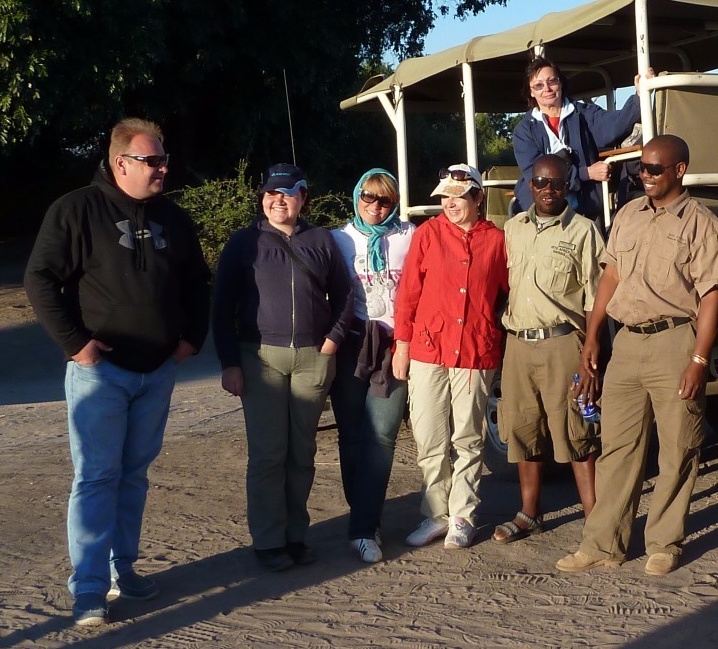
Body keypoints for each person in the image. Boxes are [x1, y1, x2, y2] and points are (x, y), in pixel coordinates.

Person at [24, 118, 210, 629]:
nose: (163, 168)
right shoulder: (77, 210)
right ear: (120, 163)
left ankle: (121, 569)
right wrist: (76, 345)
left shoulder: (173, 217)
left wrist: (193, 338)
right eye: (153, 161)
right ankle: (88, 589)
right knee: (96, 476)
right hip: (101, 375)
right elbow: (39, 279)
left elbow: (198, 282)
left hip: (157, 373)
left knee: (134, 475)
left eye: (164, 159)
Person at [556, 135, 718, 576]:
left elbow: (709, 297)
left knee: (677, 448)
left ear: (679, 170)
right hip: (627, 341)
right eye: (640, 170)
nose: (644, 176)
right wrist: (593, 336)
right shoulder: (629, 214)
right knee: (617, 446)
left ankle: (664, 542)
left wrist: (698, 360)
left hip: (675, 342)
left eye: (654, 169)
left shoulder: (703, 225)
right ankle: (602, 543)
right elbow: (610, 276)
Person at [213, 164, 356, 572]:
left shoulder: (321, 240)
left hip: (313, 357)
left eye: (288, 193)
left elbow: (345, 295)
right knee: (267, 453)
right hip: (260, 359)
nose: (279, 200)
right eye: (272, 194)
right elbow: (221, 306)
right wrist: (229, 362)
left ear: (303, 198)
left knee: (302, 452)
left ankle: (296, 535)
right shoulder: (245, 243)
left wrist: (332, 340)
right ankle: (269, 541)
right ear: (262, 199)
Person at [393, 164, 508, 549]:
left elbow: (509, 291)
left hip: (475, 350)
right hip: (429, 348)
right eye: (445, 196)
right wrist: (402, 346)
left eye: (458, 196)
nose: (450, 203)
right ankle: (435, 514)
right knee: (429, 436)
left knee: (469, 437)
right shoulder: (428, 234)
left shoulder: (497, 240)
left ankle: (463, 516)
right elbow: (408, 293)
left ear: (477, 198)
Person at [495, 154, 606, 540]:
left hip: (563, 342)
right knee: (524, 429)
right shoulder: (512, 229)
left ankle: (596, 521)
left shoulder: (584, 231)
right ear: (530, 185)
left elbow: (596, 298)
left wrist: (590, 348)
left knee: (576, 430)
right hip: (519, 344)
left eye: (555, 183)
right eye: (540, 182)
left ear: (567, 187)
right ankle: (529, 513)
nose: (547, 189)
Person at [330, 169, 413, 565]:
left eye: (384, 200)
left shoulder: (409, 236)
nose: (375, 206)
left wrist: (408, 343)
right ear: (356, 196)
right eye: (368, 197)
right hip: (352, 342)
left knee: (381, 437)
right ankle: (364, 517)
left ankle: (363, 528)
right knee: (350, 435)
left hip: (394, 344)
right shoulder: (339, 239)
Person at [510, 55, 645, 219]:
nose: (547, 88)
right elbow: (535, 175)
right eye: (538, 85)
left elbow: (616, 125)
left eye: (552, 81)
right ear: (531, 92)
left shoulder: (584, 114)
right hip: (541, 211)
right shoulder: (524, 131)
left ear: (560, 83)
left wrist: (640, 93)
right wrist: (586, 173)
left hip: (584, 206)